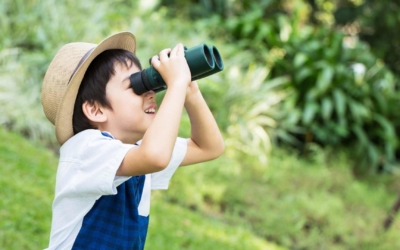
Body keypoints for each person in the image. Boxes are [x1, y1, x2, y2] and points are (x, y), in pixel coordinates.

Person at [41, 31, 224, 250]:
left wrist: (189, 92)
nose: (150, 92)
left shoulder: (136, 150)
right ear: (95, 109)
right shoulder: (85, 149)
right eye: (136, 85)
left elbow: (209, 147)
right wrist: (175, 84)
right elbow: (155, 156)